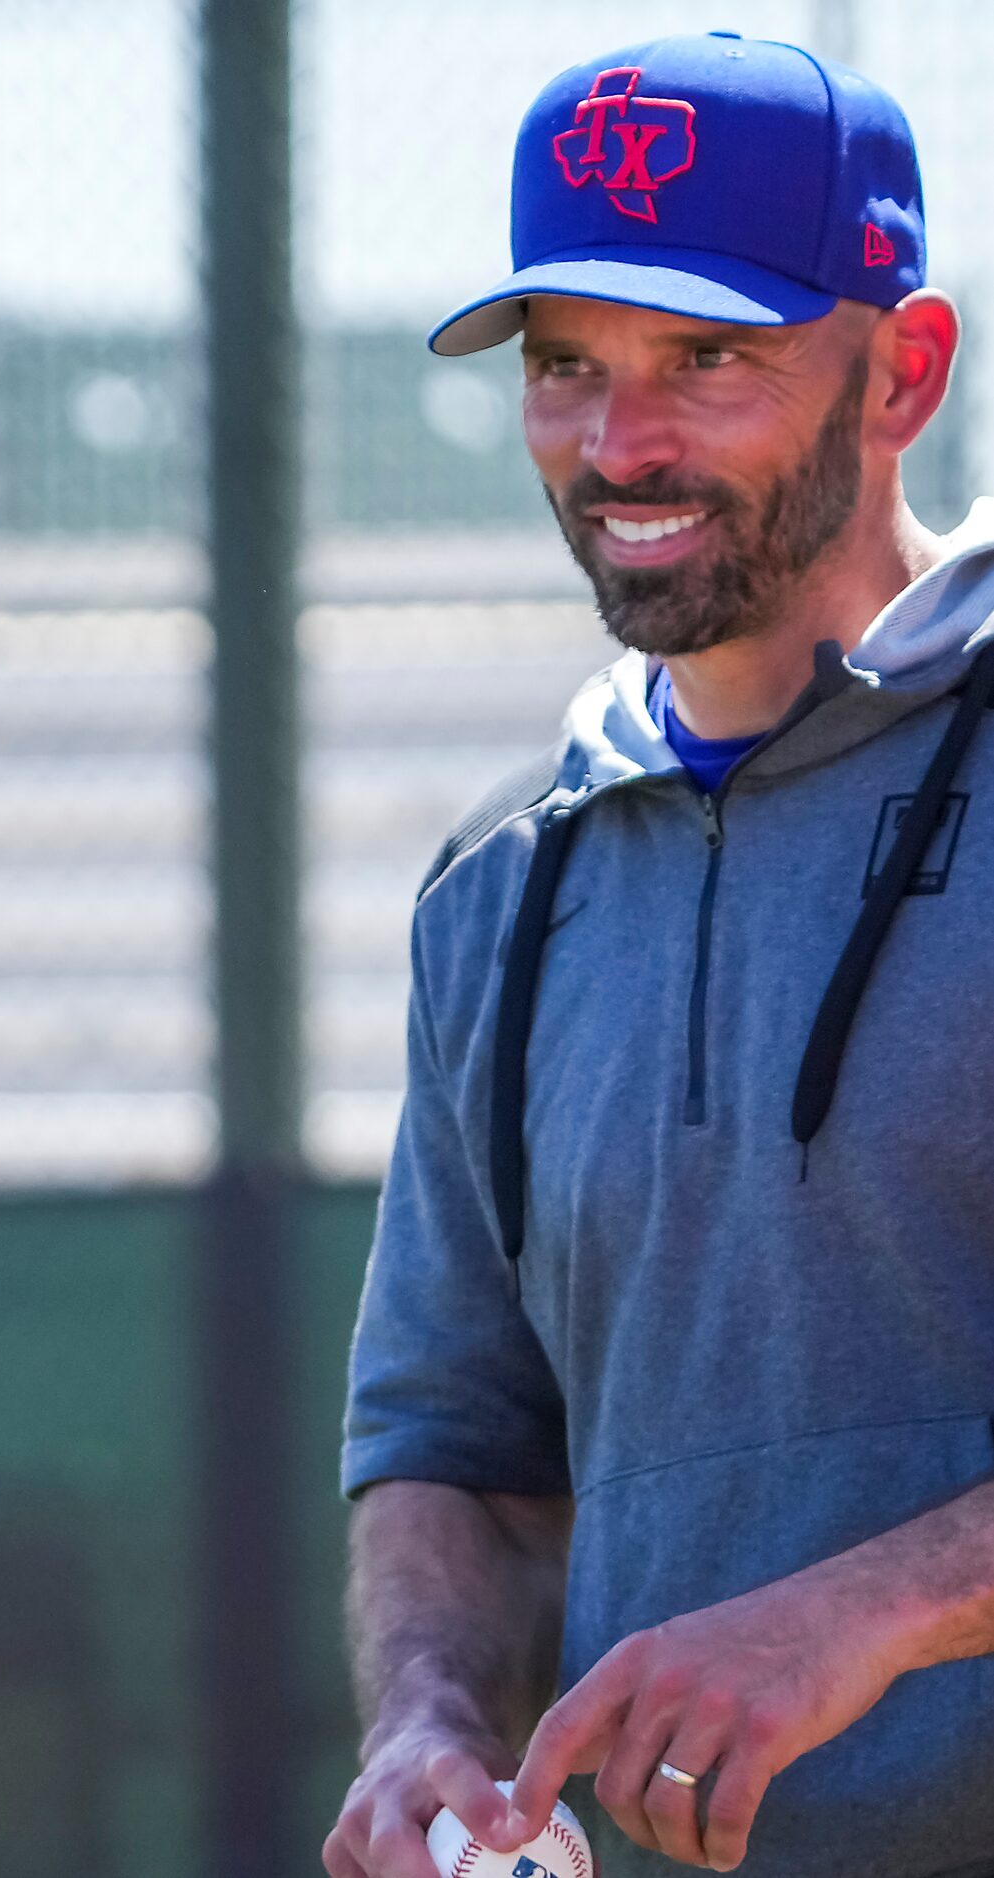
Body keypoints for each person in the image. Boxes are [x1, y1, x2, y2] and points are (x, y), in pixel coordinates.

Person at [325, 32, 994, 1878]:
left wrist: (855, 1614)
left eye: (708, 359)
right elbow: (451, 1445)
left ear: (903, 371)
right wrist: (428, 1716)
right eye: (567, 368)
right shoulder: (501, 886)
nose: (620, 444)